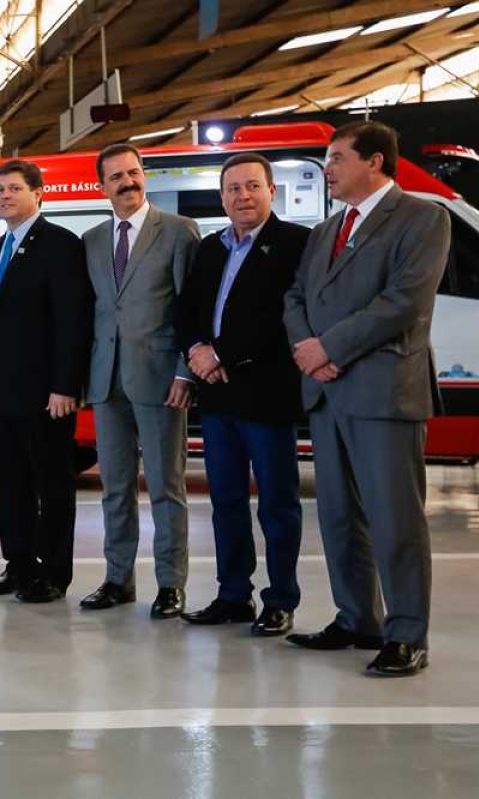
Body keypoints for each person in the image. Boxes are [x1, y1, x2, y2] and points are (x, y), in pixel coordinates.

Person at [283, 121, 449, 677]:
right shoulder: (326, 228)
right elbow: (297, 295)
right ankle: (357, 618)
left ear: (374, 162)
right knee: (338, 515)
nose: (326, 168)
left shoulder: (423, 218)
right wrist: (309, 351)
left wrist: (328, 347)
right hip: (328, 392)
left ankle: (407, 633)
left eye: (335, 158)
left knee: (394, 517)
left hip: (382, 390)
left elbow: (403, 301)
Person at [176, 153, 309, 636]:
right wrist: (194, 350)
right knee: (225, 500)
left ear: (272, 191)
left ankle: (280, 599)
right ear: (222, 197)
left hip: (266, 394)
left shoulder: (296, 244)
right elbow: (188, 308)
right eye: (233, 189)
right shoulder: (211, 248)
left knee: (277, 502)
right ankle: (233, 595)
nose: (242, 196)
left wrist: (221, 355)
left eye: (252, 186)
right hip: (216, 399)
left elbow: (282, 317)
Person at [78, 143, 200, 620]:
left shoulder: (176, 232)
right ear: (102, 185)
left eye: (133, 173)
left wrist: (185, 371)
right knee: (115, 486)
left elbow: (191, 307)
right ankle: (117, 578)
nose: (127, 183)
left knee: (167, 487)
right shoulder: (91, 240)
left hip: (161, 380)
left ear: (143, 175)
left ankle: (171, 584)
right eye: (116, 177)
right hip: (107, 381)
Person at [0, 159, 90, 603]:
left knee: (53, 485)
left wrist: (65, 385)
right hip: (1, 394)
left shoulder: (61, 245)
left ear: (38, 194)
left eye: (13, 189)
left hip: (46, 394)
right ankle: (19, 565)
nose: (3, 196)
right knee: (9, 484)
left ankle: (54, 573)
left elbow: (71, 319)